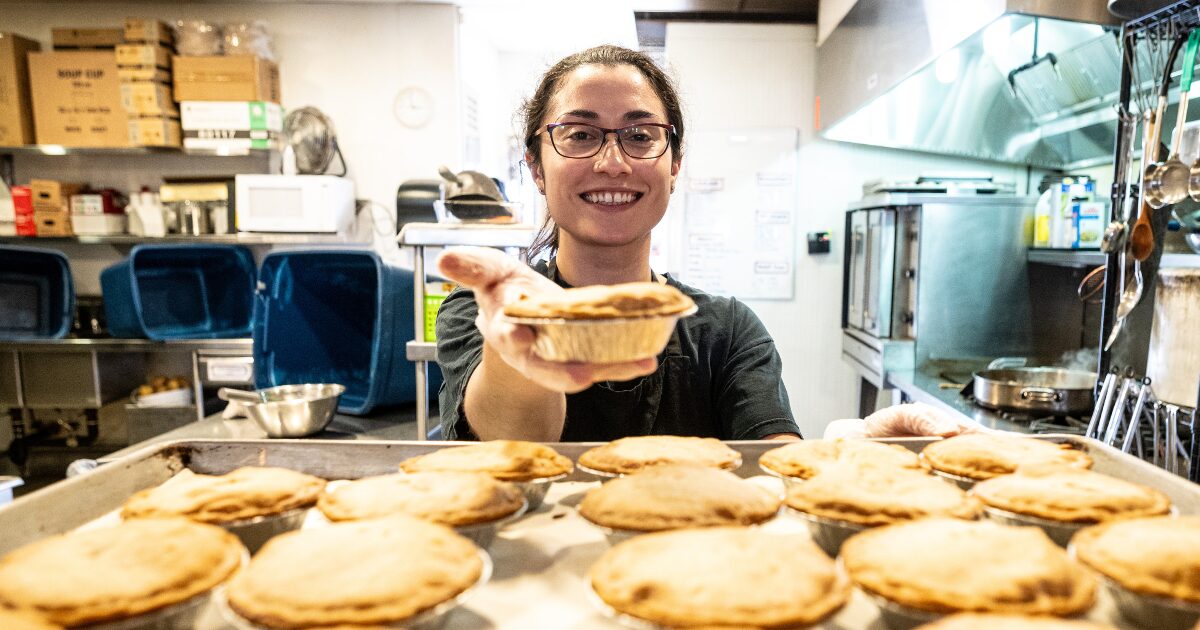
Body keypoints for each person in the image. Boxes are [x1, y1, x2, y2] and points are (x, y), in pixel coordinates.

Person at [433, 44, 976, 444]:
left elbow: (772, 464)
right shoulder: (481, 313)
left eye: (640, 135)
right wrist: (523, 349)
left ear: (674, 164)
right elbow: (506, 449)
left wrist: (849, 454)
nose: (613, 162)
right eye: (580, 134)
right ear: (536, 166)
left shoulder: (726, 331)